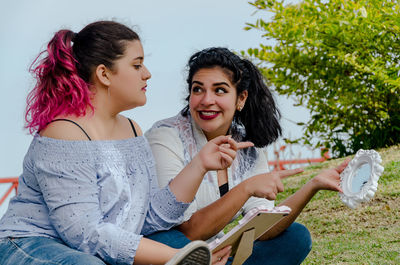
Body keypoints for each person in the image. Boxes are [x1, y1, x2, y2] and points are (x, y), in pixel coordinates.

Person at [0, 24, 251, 265]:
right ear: (104, 74)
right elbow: (86, 234)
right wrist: (174, 256)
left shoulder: (131, 130)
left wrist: (199, 165)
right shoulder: (64, 132)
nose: (147, 73)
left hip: (86, 249)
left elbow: (148, 216)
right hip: (31, 244)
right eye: (137, 65)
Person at [145, 47, 350, 264]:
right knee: (173, 241)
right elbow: (188, 231)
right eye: (198, 90)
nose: (206, 100)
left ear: (241, 98)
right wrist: (246, 189)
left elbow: (263, 227)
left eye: (220, 90)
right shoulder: (166, 137)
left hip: (214, 253)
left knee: (295, 237)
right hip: (166, 249)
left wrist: (312, 186)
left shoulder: (247, 145)